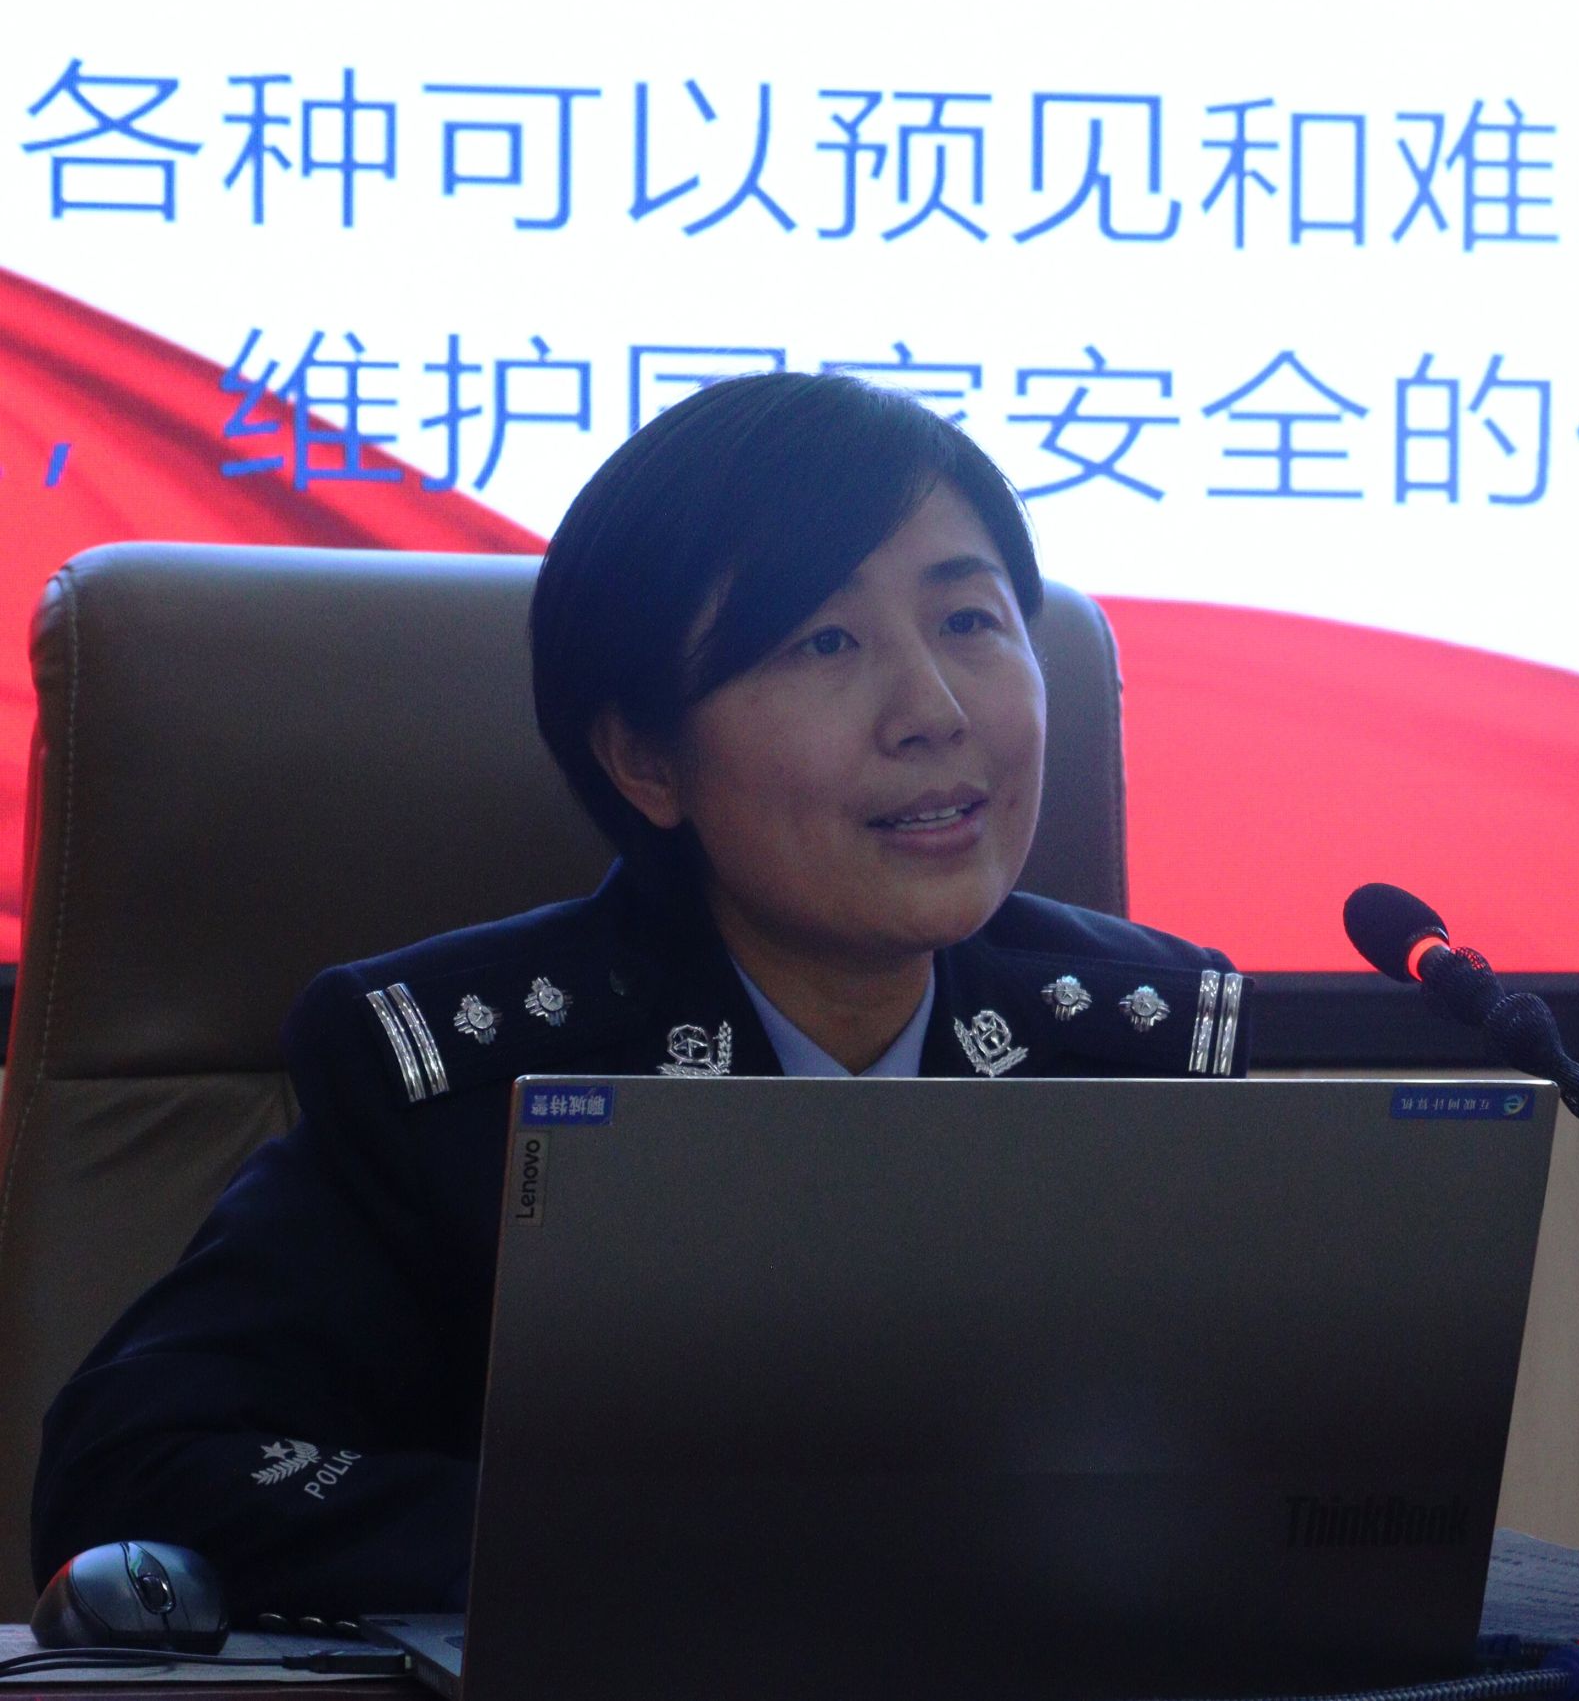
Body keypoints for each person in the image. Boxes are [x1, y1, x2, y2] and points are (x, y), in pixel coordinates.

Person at [30, 372, 1249, 1620]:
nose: (932, 714)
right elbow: (133, 1467)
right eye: (823, 642)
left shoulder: (1148, 1046)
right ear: (647, 758)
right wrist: (652, 1542)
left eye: (971, 621)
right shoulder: (466, 1083)